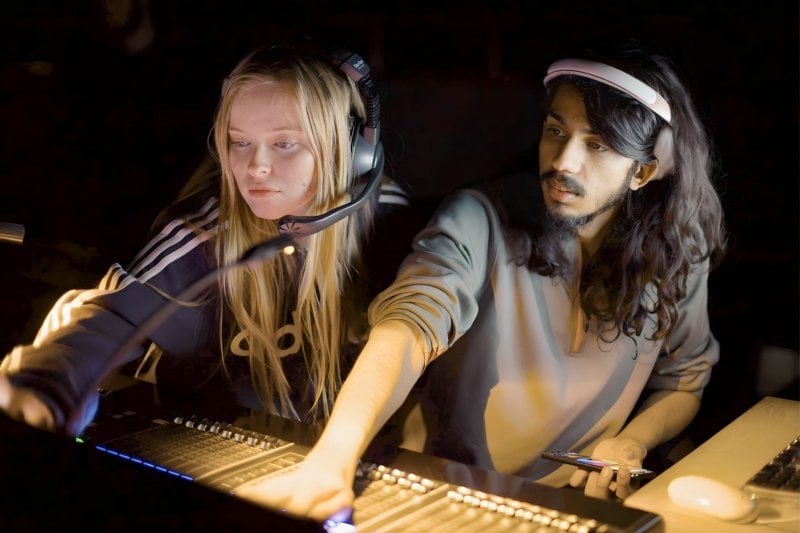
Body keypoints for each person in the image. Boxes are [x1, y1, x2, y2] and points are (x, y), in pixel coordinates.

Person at [234, 44, 727, 520]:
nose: (563, 162)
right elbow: (408, 326)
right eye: (556, 131)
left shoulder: (678, 249)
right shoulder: (480, 216)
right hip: (440, 491)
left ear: (642, 172)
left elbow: (684, 380)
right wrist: (332, 458)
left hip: (569, 506)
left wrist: (631, 442)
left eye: (596, 145)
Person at [0, 42, 426, 436]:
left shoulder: (390, 218)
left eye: (283, 144)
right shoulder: (200, 237)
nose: (255, 166)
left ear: (350, 151)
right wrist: (47, 382)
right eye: (240, 142)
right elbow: (105, 323)